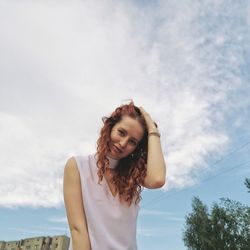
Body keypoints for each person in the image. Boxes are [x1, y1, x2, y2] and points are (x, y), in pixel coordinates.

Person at [63, 101, 166, 250]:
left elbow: (158, 179)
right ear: (110, 127)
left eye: (132, 142)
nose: (123, 143)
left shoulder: (132, 176)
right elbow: (78, 230)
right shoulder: (78, 166)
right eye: (121, 132)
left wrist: (152, 129)